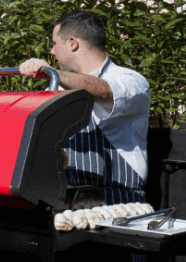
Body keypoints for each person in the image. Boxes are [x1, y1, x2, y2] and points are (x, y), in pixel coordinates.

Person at [19, 10, 150, 203]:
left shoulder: (131, 80)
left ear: (73, 43)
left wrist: (53, 73)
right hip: (67, 195)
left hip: (116, 197)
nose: (52, 51)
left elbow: (104, 91)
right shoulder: (57, 87)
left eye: (55, 44)